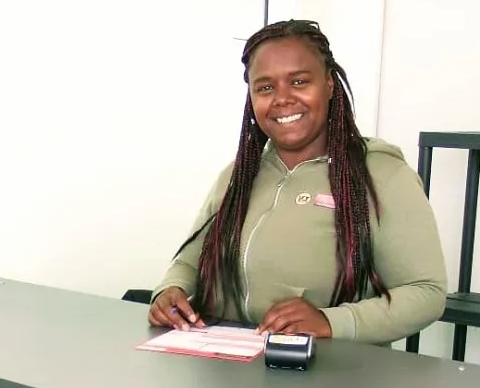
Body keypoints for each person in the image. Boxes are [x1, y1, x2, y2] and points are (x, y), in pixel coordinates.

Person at [148, 19, 447, 345]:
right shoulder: (239, 174)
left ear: (329, 85)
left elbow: (426, 293)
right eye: (265, 87)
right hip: (230, 373)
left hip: (335, 380)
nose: (282, 98)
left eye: (299, 81)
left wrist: (330, 322)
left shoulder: (380, 175)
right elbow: (189, 260)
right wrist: (171, 290)